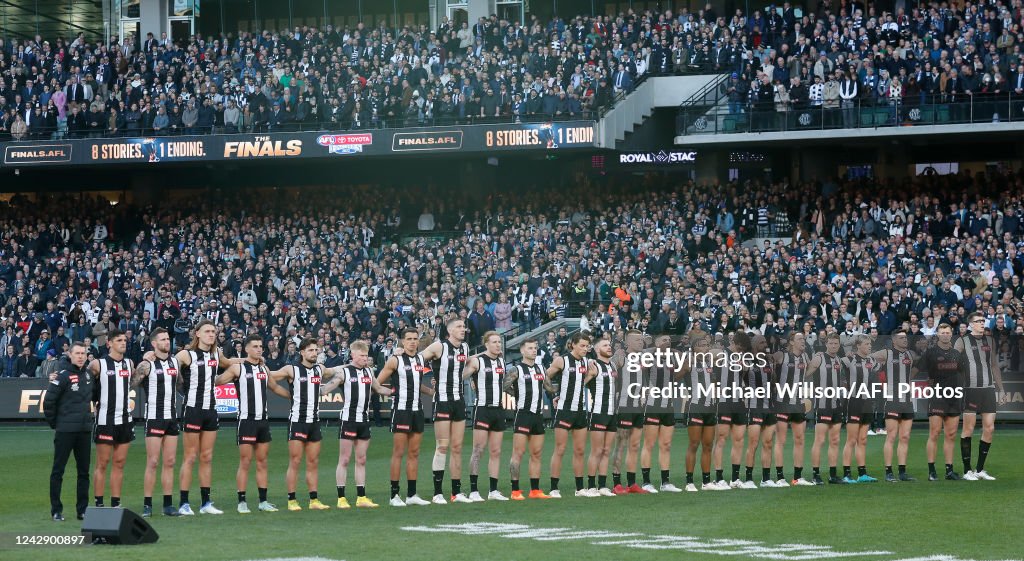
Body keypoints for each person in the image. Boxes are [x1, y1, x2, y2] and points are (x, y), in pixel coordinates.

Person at [163, 319, 242, 515]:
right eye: (207, 331)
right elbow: (168, 365)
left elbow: (229, 363)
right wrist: (151, 356)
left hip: (211, 410)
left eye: (213, 331)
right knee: (190, 457)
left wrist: (250, 360)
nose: (211, 334)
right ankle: (184, 503)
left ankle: (206, 503)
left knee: (207, 457)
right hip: (192, 409)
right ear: (197, 333)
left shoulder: (216, 353)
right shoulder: (186, 354)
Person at [215, 334, 289, 513]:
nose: (259, 349)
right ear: (246, 349)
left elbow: (275, 387)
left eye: (260, 346)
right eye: (255, 346)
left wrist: (296, 397)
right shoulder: (237, 368)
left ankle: (263, 502)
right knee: (245, 462)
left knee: (262, 462)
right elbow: (217, 381)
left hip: (263, 421)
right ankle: (242, 502)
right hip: (246, 421)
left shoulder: (264, 369)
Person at [268, 337, 338, 511]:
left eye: (316, 350)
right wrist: (287, 394)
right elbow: (270, 377)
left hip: (314, 422)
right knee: (295, 461)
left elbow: (334, 371)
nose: (314, 353)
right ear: (302, 352)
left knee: (313, 462)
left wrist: (354, 363)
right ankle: (292, 500)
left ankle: (314, 500)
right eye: (310, 350)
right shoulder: (291, 369)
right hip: (297, 422)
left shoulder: (320, 369)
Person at [322, 340, 394, 509]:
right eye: (362, 355)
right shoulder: (344, 372)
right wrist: (309, 388)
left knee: (361, 459)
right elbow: (326, 389)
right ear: (353, 355)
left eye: (366, 355)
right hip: (348, 420)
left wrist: (398, 392)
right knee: (345, 459)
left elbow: (379, 389)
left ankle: (361, 497)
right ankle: (341, 498)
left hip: (364, 420)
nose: (365, 358)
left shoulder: (368, 371)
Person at [375, 328, 434, 506]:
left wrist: (431, 391)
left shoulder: (421, 359)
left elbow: (416, 383)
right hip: (401, 411)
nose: (413, 342)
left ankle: (412, 495)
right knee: (398, 453)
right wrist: (389, 392)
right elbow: (377, 382)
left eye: (415, 339)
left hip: (417, 410)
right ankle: (394, 496)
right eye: (409, 339)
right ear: (402, 341)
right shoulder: (395, 360)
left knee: (414, 453)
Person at [418, 319, 471, 504]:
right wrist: (430, 377)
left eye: (463, 326)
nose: (463, 329)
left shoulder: (465, 348)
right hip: (442, 401)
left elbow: (465, 366)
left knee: (457, 448)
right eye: (459, 327)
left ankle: (456, 492)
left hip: (459, 401)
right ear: (449, 330)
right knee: (442, 446)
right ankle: (437, 493)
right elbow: (417, 360)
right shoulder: (438, 347)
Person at [131, 328, 182, 516]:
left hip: (172, 417)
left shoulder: (175, 362)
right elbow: (131, 384)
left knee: (170, 461)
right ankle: (147, 505)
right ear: (154, 343)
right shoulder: (147, 365)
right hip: (154, 417)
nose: (167, 342)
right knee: (152, 462)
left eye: (168, 338)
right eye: (163, 339)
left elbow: (180, 384)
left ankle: (168, 505)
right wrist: (138, 364)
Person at [44, 342, 92, 521]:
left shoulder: (88, 375)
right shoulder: (62, 376)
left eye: (83, 353)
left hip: (84, 431)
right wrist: (56, 424)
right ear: (70, 355)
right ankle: (56, 510)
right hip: (65, 431)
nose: (80, 356)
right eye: (77, 353)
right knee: (58, 471)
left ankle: (82, 510)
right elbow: (48, 402)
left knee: (84, 472)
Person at [955, 312, 1005, 481]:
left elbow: (994, 365)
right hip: (971, 389)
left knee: (989, 428)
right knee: (968, 429)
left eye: (983, 320)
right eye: (978, 321)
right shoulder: (962, 341)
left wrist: (1001, 389)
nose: (982, 323)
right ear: (971, 325)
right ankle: (967, 471)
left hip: (988, 389)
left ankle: (980, 469)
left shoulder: (990, 340)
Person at [461, 331, 510, 501]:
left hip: (498, 410)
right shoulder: (478, 361)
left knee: (496, 451)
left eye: (499, 342)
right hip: (482, 409)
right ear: (486, 344)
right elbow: (461, 374)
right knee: (478, 450)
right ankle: (474, 491)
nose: (498, 345)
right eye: (494, 342)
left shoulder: (502, 362)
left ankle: (493, 491)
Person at [89, 329, 135, 508]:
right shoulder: (98, 364)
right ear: (109, 343)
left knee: (119, 463)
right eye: (119, 340)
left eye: (124, 340)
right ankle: (99, 503)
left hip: (125, 420)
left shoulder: (129, 364)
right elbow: (82, 378)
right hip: (105, 420)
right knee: (102, 463)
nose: (123, 343)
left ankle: (116, 503)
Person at [505, 337, 553, 499]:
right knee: (518, 453)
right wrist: (518, 394)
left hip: (538, 416)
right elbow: (504, 386)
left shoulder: (541, 369)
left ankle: (535, 490)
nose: (533, 350)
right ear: (522, 351)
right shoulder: (516, 370)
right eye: (530, 348)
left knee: (537, 453)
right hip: (523, 415)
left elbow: (549, 388)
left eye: (535, 348)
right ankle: (515, 491)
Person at [546, 331, 592, 498]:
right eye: (582, 346)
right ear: (573, 344)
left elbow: (583, 380)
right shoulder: (562, 360)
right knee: (560, 449)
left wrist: (588, 378)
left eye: (587, 346)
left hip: (580, 410)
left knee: (580, 450)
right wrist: (553, 393)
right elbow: (545, 376)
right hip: (564, 411)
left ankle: (580, 488)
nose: (585, 349)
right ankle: (554, 488)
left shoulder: (587, 362)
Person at [872, 329, 918, 482]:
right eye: (901, 338)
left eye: (906, 337)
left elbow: (918, 366)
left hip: (907, 401)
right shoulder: (886, 353)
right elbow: (869, 357)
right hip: (892, 400)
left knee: (905, 437)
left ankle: (902, 472)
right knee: (891, 436)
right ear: (894, 340)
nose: (905, 340)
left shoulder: (910, 354)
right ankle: (888, 472)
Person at [922, 323, 966, 481]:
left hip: (954, 396)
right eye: (942, 332)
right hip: (937, 396)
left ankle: (949, 471)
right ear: (938, 335)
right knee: (934, 433)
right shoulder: (930, 353)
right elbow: (920, 370)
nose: (945, 335)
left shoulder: (956, 354)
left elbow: (962, 373)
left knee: (951, 434)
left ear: (951, 334)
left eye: (948, 332)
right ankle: (931, 471)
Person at [640, 333, 682, 492]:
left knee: (666, 445)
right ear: (656, 343)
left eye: (669, 340)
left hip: (668, 406)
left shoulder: (672, 359)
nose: (668, 342)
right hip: (652, 405)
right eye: (664, 340)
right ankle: (646, 482)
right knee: (649, 444)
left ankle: (665, 483)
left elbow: (680, 366)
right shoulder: (649, 356)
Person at [772, 332, 813, 486]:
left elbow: (806, 374)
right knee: (780, 441)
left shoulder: (805, 357)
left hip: (798, 403)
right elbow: (768, 365)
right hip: (782, 403)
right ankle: (780, 478)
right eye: (800, 339)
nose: (803, 341)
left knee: (800, 440)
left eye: (804, 339)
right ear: (791, 342)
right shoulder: (781, 355)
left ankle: (797, 478)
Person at [610, 330, 647, 494]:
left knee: (635, 446)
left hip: (638, 407)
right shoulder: (620, 357)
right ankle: (616, 483)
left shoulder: (641, 358)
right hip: (623, 407)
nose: (641, 342)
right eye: (637, 340)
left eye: (642, 340)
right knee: (621, 445)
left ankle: (632, 483)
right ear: (628, 342)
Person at [714, 332, 752, 489]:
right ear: (734, 342)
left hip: (739, 402)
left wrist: (745, 367)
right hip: (724, 402)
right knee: (721, 439)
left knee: (739, 440)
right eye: (740, 346)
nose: (741, 349)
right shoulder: (721, 353)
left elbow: (743, 377)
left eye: (743, 348)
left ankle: (735, 479)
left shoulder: (742, 357)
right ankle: (719, 478)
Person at [807, 334, 847, 485]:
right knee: (820, 440)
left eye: (836, 343)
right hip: (822, 405)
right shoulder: (819, 358)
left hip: (836, 405)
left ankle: (832, 475)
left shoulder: (838, 360)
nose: (833, 346)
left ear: (839, 345)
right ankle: (815, 475)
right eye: (831, 343)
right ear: (826, 344)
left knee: (835, 440)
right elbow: (804, 375)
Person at [842, 335, 880, 483]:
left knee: (862, 440)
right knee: (851, 440)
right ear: (858, 346)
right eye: (866, 344)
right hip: (854, 401)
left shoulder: (872, 361)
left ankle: (862, 474)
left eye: (870, 344)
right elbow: (837, 361)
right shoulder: (849, 359)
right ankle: (846, 474)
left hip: (867, 402)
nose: (869, 346)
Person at [584, 336, 618, 497]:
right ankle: (591, 486)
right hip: (598, 413)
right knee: (596, 450)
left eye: (609, 345)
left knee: (606, 450)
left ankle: (602, 486)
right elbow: (578, 384)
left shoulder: (612, 365)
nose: (609, 347)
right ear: (597, 349)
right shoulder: (593, 366)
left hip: (612, 413)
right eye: (605, 345)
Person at [683, 330, 717, 491]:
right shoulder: (689, 362)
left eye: (707, 345)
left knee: (708, 445)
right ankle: (689, 482)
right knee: (694, 444)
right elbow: (675, 377)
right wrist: (684, 367)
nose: (706, 347)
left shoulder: (710, 363)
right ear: (694, 349)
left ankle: (706, 482)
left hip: (710, 408)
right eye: (702, 345)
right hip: (695, 407)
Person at [745, 334, 777, 488]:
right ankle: (748, 479)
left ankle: (766, 479)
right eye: (762, 342)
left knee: (768, 443)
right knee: (753, 443)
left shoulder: (769, 360)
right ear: (754, 344)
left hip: (769, 406)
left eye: (766, 342)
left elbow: (773, 381)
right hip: (754, 406)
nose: (765, 344)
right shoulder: (747, 360)